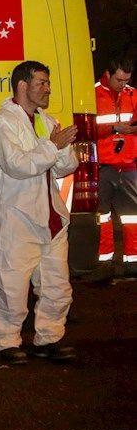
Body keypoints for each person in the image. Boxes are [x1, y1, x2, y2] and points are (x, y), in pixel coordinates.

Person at [0, 60, 79, 365]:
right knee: (10, 285)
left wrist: (61, 148)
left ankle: (49, 338)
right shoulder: (0, 124)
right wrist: (52, 147)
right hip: (17, 218)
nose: (47, 89)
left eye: (48, 83)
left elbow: (65, 166)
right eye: (41, 83)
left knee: (57, 286)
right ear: (22, 86)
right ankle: (4, 341)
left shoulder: (46, 122)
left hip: (51, 219)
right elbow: (17, 165)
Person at [94, 55, 136, 275]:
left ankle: (132, 262)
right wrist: (113, 129)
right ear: (107, 74)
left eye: (126, 80)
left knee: (132, 217)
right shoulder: (92, 94)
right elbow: (86, 128)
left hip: (128, 165)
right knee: (102, 216)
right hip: (102, 166)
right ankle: (104, 262)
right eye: (119, 80)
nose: (123, 84)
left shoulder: (133, 94)